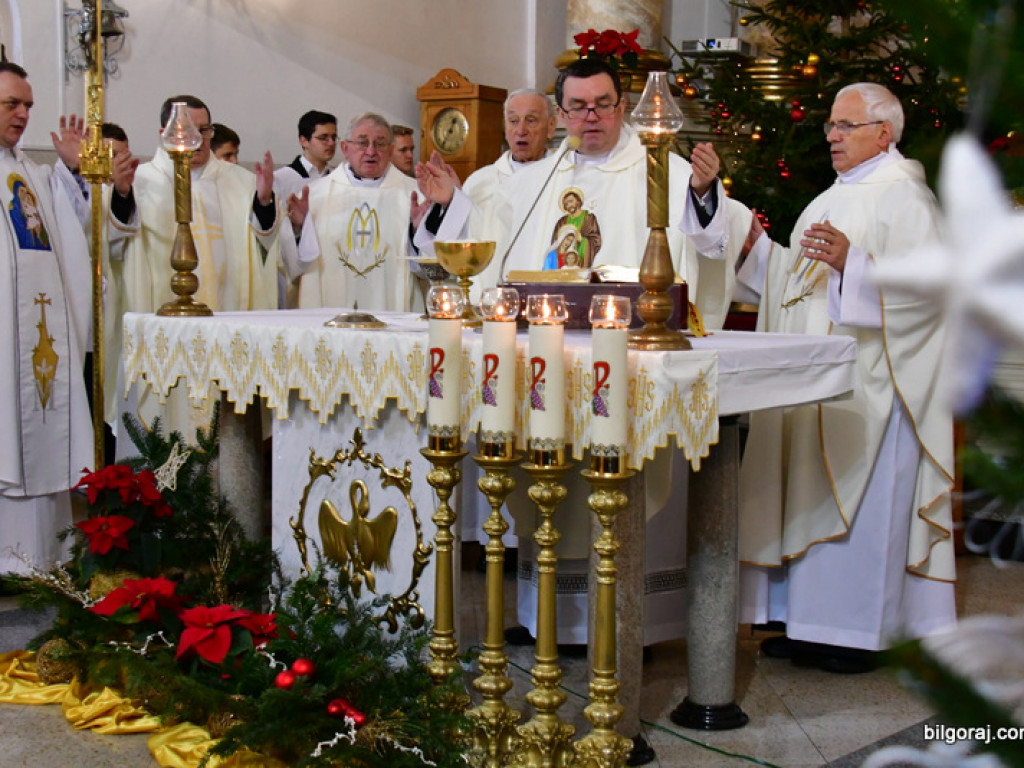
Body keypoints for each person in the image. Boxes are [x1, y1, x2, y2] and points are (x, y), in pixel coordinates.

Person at [734, 82, 956, 673]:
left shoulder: (906, 197)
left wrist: (854, 265)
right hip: (821, 383)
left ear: (884, 133)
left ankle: (859, 633)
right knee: (807, 496)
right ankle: (808, 624)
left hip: (875, 389)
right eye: (830, 125)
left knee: (863, 508)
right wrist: (761, 252)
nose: (831, 135)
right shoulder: (835, 195)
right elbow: (795, 280)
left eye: (845, 126)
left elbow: (929, 293)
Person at [415, 57, 753, 329]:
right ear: (561, 116)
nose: (591, 117)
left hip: (633, 338)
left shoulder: (664, 171)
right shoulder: (537, 179)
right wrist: (450, 204)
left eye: (602, 105)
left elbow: (712, 246)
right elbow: (486, 232)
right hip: (547, 336)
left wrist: (703, 191)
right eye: (578, 107)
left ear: (622, 107)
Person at [0, 61, 93, 576]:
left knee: (39, 428)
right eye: (12, 103)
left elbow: (75, 235)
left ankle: (41, 556)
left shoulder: (31, 174)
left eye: (28, 105)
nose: (23, 114)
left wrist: (75, 172)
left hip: (37, 335)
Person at [413, 87, 558, 301]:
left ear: (551, 126)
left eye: (531, 120)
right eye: (513, 121)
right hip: (489, 301)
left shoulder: (563, 177)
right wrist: (451, 202)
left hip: (546, 300)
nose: (521, 130)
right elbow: (457, 248)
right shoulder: (482, 181)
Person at [296, 112, 419, 312]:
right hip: (333, 312)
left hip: (393, 311)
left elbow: (429, 264)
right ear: (345, 148)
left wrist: (420, 230)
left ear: (390, 149)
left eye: (380, 144)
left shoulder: (414, 194)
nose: (371, 151)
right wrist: (297, 229)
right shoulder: (316, 195)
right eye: (362, 143)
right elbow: (293, 264)